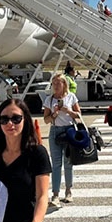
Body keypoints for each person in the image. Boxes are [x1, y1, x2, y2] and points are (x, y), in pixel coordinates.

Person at [43, 74, 80, 207]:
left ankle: (69, 191)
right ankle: (55, 194)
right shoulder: (49, 99)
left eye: (58, 83)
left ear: (64, 84)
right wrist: (54, 114)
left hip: (69, 131)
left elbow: (79, 115)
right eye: (54, 84)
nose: (56, 86)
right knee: (56, 164)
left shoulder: (71, 97)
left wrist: (68, 111)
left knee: (68, 162)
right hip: (55, 131)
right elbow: (46, 120)